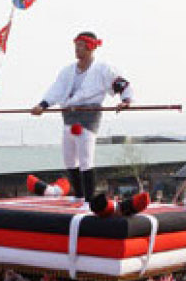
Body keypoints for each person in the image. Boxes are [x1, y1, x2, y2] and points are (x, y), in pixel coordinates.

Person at [30, 31, 134, 200]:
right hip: (69, 116)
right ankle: (78, 195)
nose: (77, 50)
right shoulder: (68, 71)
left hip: (88, 117)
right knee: (69, 159)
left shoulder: (103, 69)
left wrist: (126, 100)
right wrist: (42, 105)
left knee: (85, 158)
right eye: (75, 46)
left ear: (90, 47)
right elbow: (56, 90)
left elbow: (121, 83)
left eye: (80, 46)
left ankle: (88, 198)